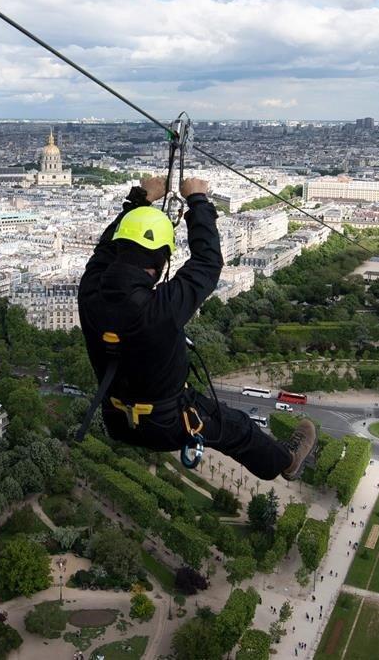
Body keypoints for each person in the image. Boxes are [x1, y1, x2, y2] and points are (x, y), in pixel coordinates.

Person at [78, 176, 316, 480]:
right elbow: (207, 262)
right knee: (239, 429)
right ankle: (287, 461)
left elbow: (105, 250)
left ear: (120, 251)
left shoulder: (90, 293)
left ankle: (284, 460)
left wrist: (138, 201)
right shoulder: (160, 308)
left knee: (233, 426)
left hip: (116, 418)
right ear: (163, 261)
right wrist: (198, 200)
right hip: (168, 423)